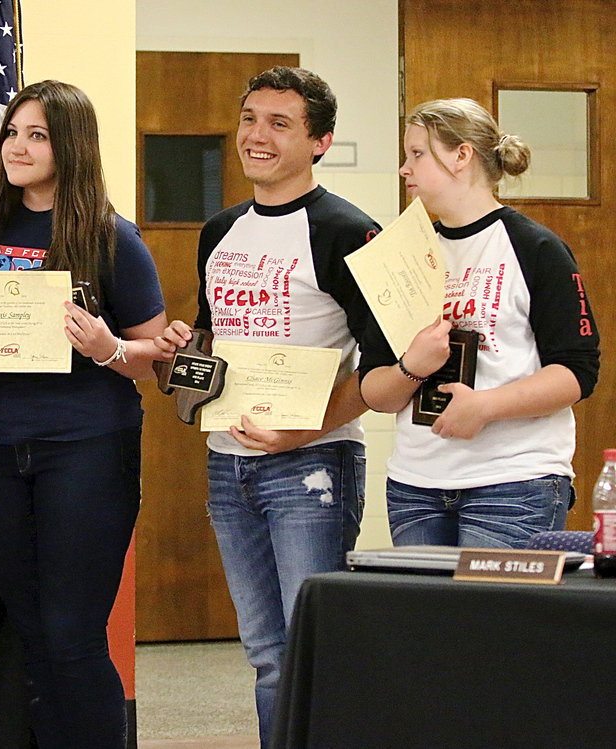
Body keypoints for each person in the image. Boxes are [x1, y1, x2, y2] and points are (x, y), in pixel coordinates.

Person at [0, 80, 166, 748]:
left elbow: (157, 353)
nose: (17, 146)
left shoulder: (111, 235)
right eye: (11, 133)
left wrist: (107, 346)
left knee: (72, 633)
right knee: (31, 632)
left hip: (86, 448)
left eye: (37, 135)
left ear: (72, 145)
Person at [154, 67, 378, 747]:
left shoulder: (347, 229)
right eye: (250, 118)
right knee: (266, 654)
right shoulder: (220, 229)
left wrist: (302, 430)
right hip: (229, 465)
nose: (256, 135)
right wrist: (176, 354)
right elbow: (209, 348)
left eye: (280, 123)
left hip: (313, 467)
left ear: (321, 141)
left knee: (314, 649)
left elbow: (386, 368)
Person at [359, 98, 600, 547]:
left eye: (416, 154)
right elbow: (374, 391)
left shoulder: (536, 248)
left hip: (514, 482)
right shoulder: (401, 257)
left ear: (461, 156)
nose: (403, 169)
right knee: (423, 621)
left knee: (496, 620)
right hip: (416, 486)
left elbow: (577, 374)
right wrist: (413, 366)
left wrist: (485, 407)